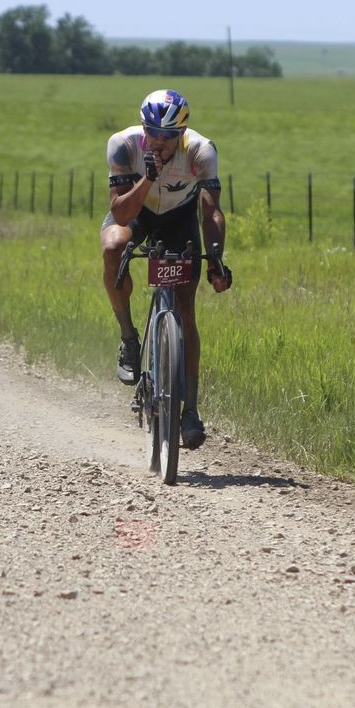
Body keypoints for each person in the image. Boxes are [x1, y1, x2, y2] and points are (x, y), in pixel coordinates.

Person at [100, 89, 232, 449]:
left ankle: (190, 410)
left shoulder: (201, 151)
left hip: (178, 220)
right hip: (136, 213)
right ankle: (129, 337)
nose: (159, 141)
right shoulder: (124, 145)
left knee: (186, 310)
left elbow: (210, 210)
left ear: (182, 134)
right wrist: (148, 177)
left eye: (168, 136)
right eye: (153, 133)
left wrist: (216, 257)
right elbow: (122, 213)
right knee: (113, 247)